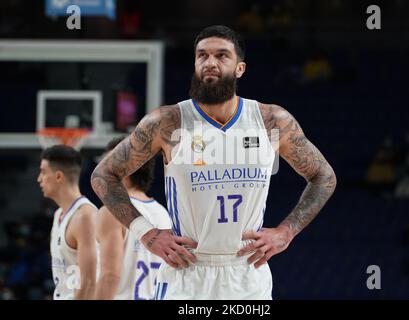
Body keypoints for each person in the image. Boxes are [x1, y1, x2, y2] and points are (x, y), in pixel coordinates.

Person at [91, 25, 337, 299]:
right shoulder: (167, 122)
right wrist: (145, 233)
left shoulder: (271, 121)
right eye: (202, 56)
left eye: (222, 56)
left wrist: (286, 232)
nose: (210, 62)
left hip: (246, 272)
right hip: (187, 271)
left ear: (240, 68)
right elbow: (104, 175)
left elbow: (323, 176)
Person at [95, 137, 172, 300]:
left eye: (105, 165)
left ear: (125, 169)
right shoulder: (164, 213)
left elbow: (110, 276)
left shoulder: (111, 211)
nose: (100, 171)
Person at [37, 145, 97, 300]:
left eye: (43, 172)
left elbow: (89, 283)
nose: (39, 179)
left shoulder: (85, 216)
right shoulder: (59, 214)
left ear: (58, 176)